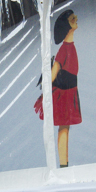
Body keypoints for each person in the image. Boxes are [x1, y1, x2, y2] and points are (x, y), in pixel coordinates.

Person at [35, 10, 82, 167]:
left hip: (70, 92)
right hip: (63, 95)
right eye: (72, 19)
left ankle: (64, 163)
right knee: (64, 129)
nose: (76, 19)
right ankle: (63, 164)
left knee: (65, 129)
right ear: (66, 26)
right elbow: (53, 74)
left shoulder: (70, 47)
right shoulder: (64, 50)